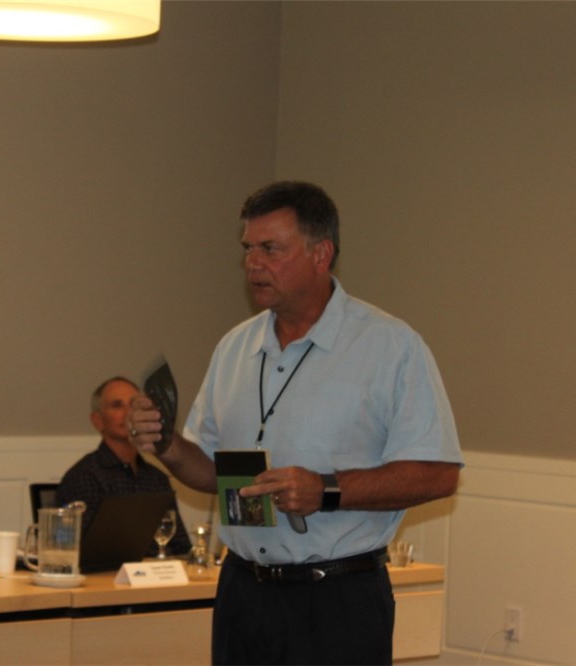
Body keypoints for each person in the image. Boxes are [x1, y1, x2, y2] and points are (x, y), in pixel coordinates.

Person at [128, 181, 463, 665]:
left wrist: (326, 490)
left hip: (337, 599)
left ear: (321, 254)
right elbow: (213, 473)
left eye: (270, 249)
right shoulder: (235, 348)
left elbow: (439, 474)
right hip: (243, 593)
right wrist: (166, 445)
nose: (252, 263)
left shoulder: (390, 347)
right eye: (247, 249)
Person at [56, 376, 191, 557]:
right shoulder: (85, 476)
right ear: (97, 420)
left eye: (134, 405)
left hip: (158, 571)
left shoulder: (157, 478)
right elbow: (84, 551)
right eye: (117, 405)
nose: (128, 413)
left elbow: (181, 546)